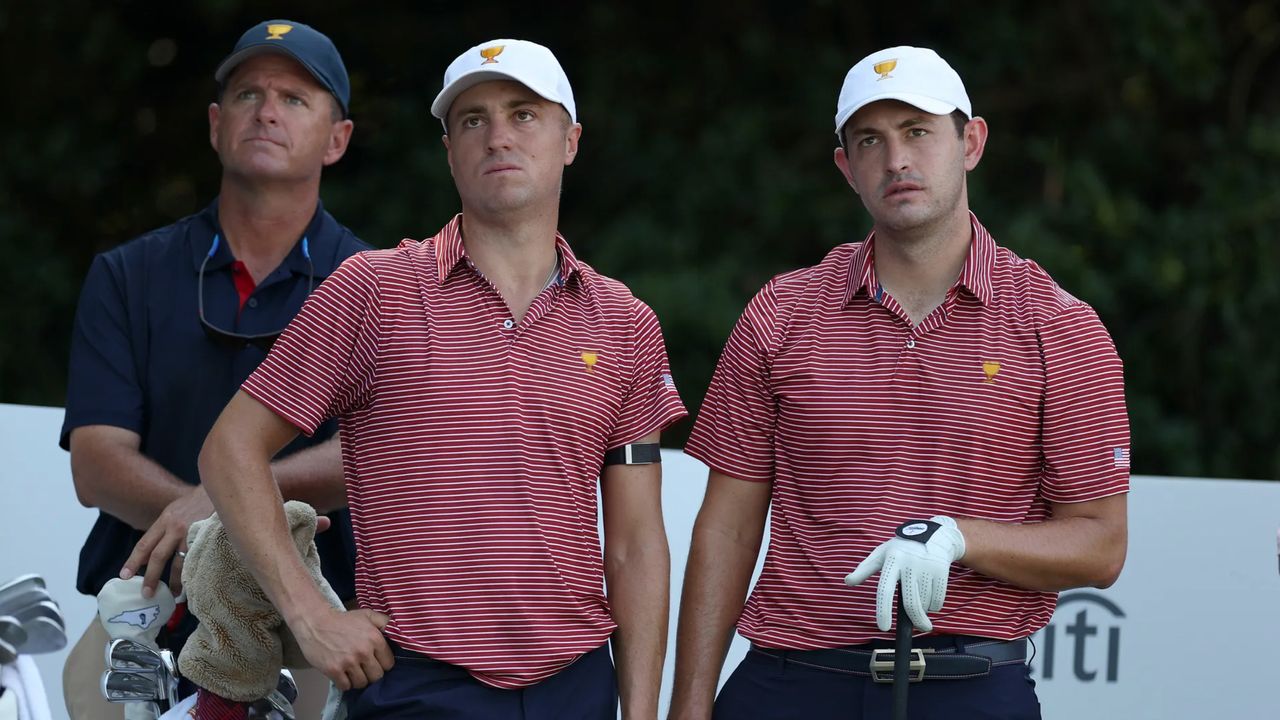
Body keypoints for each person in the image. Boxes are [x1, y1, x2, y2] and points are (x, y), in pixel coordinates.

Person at [195, 38, 687, 720]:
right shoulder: (374, 289)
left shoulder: (625, 322)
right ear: (449, 149)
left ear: (570, 140)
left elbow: (635, 544)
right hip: (418, 684)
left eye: (524, 114)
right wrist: (310, 616)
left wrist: (638, 712)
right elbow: (230, 448)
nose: (497, 137)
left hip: (576, 685)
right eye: (472, 120)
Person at [669, 46, 1130, 720]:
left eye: (917, 131)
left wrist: (960, 538)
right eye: (870, 141)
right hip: (792, 681)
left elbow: (1101, 542)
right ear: (845, 168)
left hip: (969, 684)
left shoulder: (1057, 326)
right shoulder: (782, 312)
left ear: (970, 142)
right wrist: (689, 707)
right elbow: (728, 529)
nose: (896, 160)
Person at [59, 19, 366, 720]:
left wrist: (224, 503)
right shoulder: (127, 274)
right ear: (215, 123)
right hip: (145, 613)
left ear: (337, 138)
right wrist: (220, 523)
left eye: (294, 98)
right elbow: (97, 462)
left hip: (314, 619)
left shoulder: (381, 284)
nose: (266, 110)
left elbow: (377, 453)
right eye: (248, 93)